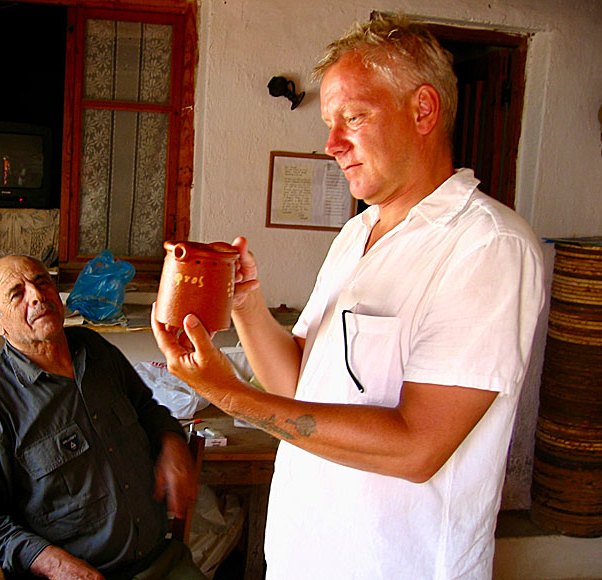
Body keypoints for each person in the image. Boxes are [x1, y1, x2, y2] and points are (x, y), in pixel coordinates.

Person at [151, 13, 545, 580]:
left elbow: (416, 449)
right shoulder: (358, 233)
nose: (332, 144)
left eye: (354, 118)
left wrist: (233, 398)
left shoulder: (487, 245)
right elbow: (295, 383)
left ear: (423, 110)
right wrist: (246, 306)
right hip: (303, 558)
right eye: (329, 123)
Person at [0, 254, 206, 580]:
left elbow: (147, 408)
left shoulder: (95, 349)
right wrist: (53, 563)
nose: (37, 295)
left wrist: (172, 442)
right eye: (17, 293)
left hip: (163, 561)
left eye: (41, 281)